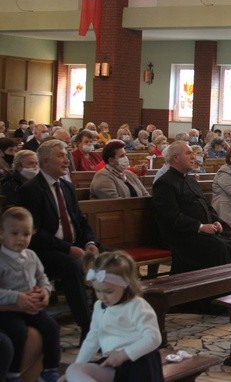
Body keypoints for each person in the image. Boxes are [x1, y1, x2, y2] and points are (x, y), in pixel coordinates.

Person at [16, 139, 99, 343]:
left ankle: (108, 319)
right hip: (44, 251)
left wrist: (90, 243)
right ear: (45, 161)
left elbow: (79, 220)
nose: (67, 160)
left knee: (111, 259)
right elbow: (35, 233)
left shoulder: (67, 187)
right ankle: (87, 328)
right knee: (71, 265)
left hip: (71, 246)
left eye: (66, 155)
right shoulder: (31, 190)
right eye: (61, 156)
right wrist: (69, 249)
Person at [151, 141, 231, 274]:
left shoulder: (190, 180)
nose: (193, 157)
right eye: (188, 153)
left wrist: (216, 221)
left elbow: (206, 206)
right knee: (219, 247)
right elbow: (171, 216)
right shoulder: (164, 183)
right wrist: (200, 227)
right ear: (176, 158)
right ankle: (217, 290)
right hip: (182, 234)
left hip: (201, 230)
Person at [66, 251, 163, 382]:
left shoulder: (136, 306)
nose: (102, 297)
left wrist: (124, 354)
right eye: (97, 290)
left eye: (109, 291)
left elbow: (154, 338)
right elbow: (92, 339)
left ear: (126, 285)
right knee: (73, 370)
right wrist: (78, 364)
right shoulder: (99, 306)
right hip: (114, 363)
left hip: (140, 363)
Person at [0, 207, 60, 382]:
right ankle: (13, 373)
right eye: (15, 233)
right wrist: (17, 297)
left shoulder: (32, 256)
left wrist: (45, 292)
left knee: (52, 327)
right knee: (18, 332)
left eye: (26, 234)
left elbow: (42, 278)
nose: (21, 239)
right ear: (2, 233)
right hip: (10, 310)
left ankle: (50, 369)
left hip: (33, 307)